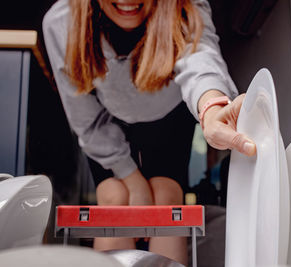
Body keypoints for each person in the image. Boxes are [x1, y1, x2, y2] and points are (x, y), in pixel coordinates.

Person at [43, 0, 256, 265]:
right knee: (114, 197)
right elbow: (83, 116)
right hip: (107, 121)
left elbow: (201, 57)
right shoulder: (61, 21)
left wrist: (211, 107)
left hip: (169, 115)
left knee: (167, 197)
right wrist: (133, 181)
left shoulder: (186, 6)